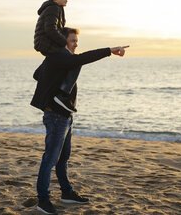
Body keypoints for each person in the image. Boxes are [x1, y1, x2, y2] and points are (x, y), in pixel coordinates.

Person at [31, 27, 129, 214]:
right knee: (50, 159)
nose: (76, 44)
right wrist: (110, 50)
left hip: (66, 115)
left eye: (77, 41)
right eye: (73, 41)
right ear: (63, 41)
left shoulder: (61, 59)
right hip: (56, 117)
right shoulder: (58, 56)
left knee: (63, 158)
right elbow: (83, 58)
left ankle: (66, 193)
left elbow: (38, 75)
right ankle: (43, 200)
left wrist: (53, 82)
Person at [33, 0, 81, 113]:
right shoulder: (53, 8)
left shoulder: (56, 8)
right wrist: (64, 43)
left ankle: (39, 74)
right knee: (75, 61)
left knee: (63, 61)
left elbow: (56, 29)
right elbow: (50, 29)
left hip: (47, 44)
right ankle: (62, 94)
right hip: (46, 43)